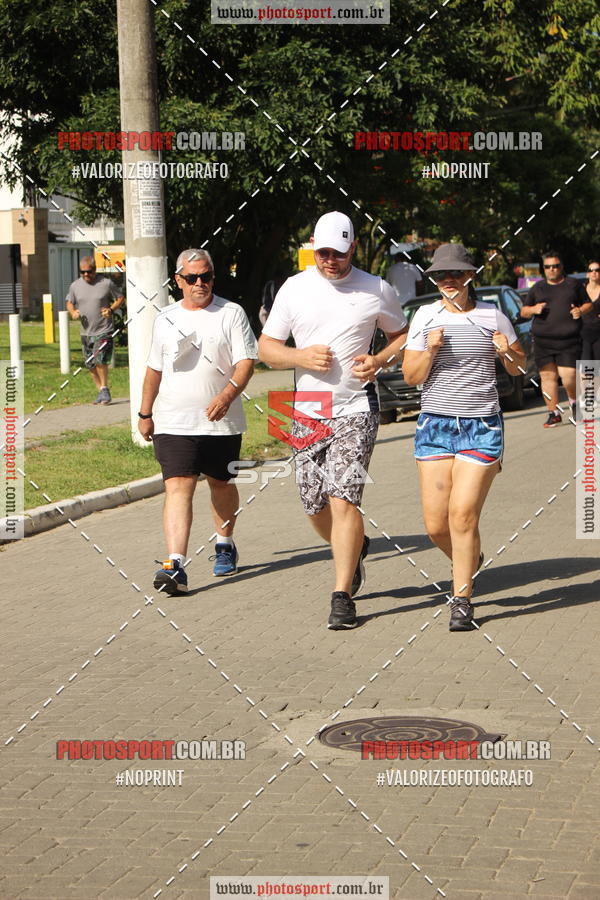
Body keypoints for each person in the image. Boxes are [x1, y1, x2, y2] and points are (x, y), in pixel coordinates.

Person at [258, 211, 408, 630]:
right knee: (312, 502)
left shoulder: (376, 288)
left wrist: (378, 360)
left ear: (353, 247)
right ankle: (355, 546)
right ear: (312, 247)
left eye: (338, 254)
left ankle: (342, 596)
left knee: (344, 496)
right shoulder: (294, 287)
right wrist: (299, 356)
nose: (330, 261)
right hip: (303, 408)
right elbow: (266, 348)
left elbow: (402, 334)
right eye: (322, 252)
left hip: (356, 406)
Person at [402, 243, 526, 632]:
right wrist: (431, 350)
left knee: (462, 514)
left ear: (470, 276)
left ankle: (462, 599)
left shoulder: (493, 315)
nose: (448, 281)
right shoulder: (424, 316)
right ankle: (469, 555)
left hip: (481, 426)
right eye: (441, 275)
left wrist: (508, 354)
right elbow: (411, 377)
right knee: (436, 526)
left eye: (456, 274)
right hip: (435, 427)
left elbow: (520, 367)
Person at [138, 248, 257, 595]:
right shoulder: (165, 318)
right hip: (174, 421)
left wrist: (226, 396)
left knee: (221, 484)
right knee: (178, 485)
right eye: (192, 278)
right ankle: (175, 564)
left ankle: (224, 542)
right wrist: (145, 413)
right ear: (178, 281)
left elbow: (246, 362)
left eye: (206, 276)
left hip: (222, 422)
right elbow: (154, 369)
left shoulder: (231, 313)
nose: (200, 283)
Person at [520, 251, 591, 426]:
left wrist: (580, 311)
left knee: (568, 376)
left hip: (568, 340)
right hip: (543, 341)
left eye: (556, 266)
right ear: (544, 269)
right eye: (548, 267)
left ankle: (574, 403)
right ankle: (553, 413)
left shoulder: (573, 285)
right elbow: (523, 311)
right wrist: (534, 309)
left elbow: (588, 304)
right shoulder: (537, 288)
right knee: (547, 376)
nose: (552, 269)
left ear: (561, 267)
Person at [66, 256, 125, 404]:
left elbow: (120, 298)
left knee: (100, 359)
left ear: (95, 269)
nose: (86, 274)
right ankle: (101, 391)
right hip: (86, 332)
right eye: (83, 272)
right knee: (90, 364)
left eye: (89, 271)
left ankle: (104, 388)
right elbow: (69, 302)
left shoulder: (106, 283)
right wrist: (73, 312)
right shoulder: (75, 286)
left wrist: (111, 309)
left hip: (104, 329)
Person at [581, 260, 600, 361]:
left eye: (597, 270)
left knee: (598, 370)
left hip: (598, 334)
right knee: (587, 370)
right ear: (587, 274)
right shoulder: (580, 290)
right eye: (591, 270)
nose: (594, 272)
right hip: (583, 335)